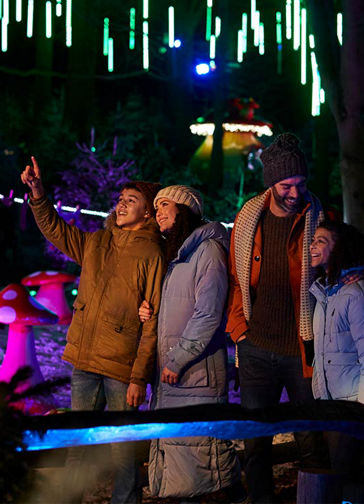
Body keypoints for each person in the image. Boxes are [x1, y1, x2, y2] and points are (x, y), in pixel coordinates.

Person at [20, 156, 164, 504]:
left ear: (147, 213)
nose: (122, 203)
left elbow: (154, 319)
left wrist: (138, 377)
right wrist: (39, 195)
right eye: (121, 198)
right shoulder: (97, 242)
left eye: (132, 201)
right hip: (85, 362)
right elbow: (57, 230)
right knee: (76, 445)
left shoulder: (151, 254)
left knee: (122, 450)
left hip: (120, 368)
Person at [224, 133, 328, 503]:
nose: (295, 192)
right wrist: (239, 331)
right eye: (287, 185)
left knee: (311, 438)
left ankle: (315, 499)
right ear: (271, 183)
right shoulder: (249, 217)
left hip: (302, 350)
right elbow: (236, 280)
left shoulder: (319, 219)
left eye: (301, 184)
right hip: (256, 347)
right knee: (256, 444)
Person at [136, 185, 240, 499]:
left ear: (185, 208)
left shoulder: (208, 251)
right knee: (179, 459)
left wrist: (178, 359)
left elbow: (208, 313)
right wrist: (147, 310)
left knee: (200, 465)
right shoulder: (178, 254)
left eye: (165, 204)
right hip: (172, 376)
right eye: (155, 208)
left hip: (194, 374)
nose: (158, 212)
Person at [308, 220, 364, 492]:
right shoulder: (327, 293)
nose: (312, 245)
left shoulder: (359, 294)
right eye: (313, 240)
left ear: (340, 249)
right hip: (331, 402)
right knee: (339, 476)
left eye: (321, 241)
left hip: (353, 405)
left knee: (345, 477)